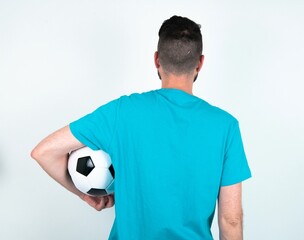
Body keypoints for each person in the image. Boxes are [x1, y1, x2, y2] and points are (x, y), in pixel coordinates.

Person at [31, 15, 251, 240]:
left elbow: (44, 152)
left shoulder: (122, 112)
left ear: (157, 60)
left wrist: (86, 195)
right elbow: (230, 220)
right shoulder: (225, 126)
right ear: (200, 63)